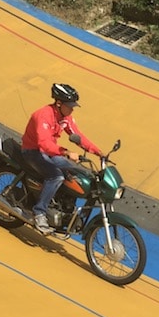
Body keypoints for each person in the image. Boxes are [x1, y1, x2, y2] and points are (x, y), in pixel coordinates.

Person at [21, 83, 103, 235]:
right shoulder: (44, 115)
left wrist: (98, 152)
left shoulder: (65, 117)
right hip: (33, 151)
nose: (72, 109)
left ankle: (63, 207)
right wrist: (66, 152)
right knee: (56, 176)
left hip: (50, 152)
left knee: (76, 173)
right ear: (59, 103)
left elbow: (79, 137)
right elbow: (43, 143)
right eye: (70, 105)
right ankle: (39, 213)